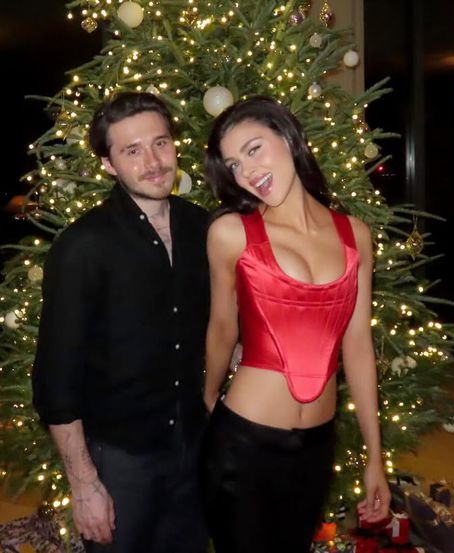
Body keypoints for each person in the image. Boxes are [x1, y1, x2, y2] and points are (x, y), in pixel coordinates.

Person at [200, 96, 391, 553]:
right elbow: (222, 330)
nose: (247, 172)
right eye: (234, 164)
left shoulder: (355, 235)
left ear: (289, 138)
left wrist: (375, 457)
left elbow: (358, 345)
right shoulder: (231, 233)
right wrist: (207, 398)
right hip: (243, 442)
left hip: (316, 447)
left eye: (254, 149)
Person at [32, 92, 210, 553]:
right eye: (132, 151)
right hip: (119, 460)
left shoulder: (203, 228)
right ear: (108, 164)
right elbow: (56, 379)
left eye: (160, 143)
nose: (153, 162)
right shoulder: (82, 247)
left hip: (194, 448)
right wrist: (84, 484)